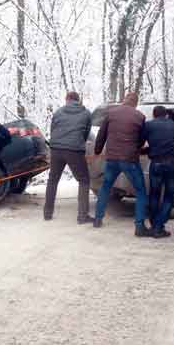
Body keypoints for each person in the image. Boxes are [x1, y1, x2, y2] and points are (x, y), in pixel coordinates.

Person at [94, 92, 151, 237]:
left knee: (106, 187)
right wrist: (135, 148)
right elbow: (142, 138)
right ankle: (139, 226)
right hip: (130, 160)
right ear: (135, 103)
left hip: (111, 159)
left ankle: (98, 219)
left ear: (124, 100)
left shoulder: (111, 112)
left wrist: (97, 150)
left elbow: (102, 134)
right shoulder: (139, 117)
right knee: (140, 191)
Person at [44, 92, 93, 224]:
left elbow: (53, 129)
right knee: (84, 180)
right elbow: (86, 133)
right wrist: (78, 143)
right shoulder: (86, 113)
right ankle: (82, 216)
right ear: (78, 100)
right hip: (75, 151)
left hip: (56, 149)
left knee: (52, 180)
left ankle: (47, 213)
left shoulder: (58, 112)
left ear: (67, 100)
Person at [142, 106, 174, 238]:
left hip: (157, 163)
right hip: (173, 163)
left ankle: (155, 225)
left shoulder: (148, 125)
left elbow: (141, 142)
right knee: (169, 196)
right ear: (166, 115)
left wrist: (147, 149)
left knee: (154, 194)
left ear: (153, 115)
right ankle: (158, 227)